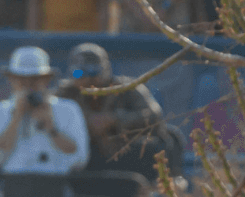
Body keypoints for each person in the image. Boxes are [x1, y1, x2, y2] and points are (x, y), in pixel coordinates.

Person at [56, 42, 176, 178]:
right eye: (79, 73)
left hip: (128, 161)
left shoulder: (126, 88)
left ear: (105, 71)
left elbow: (154, 115)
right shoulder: (65, 94)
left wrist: (114, 119)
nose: (88, 80)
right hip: (82, 165)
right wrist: (85, 122)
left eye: (94, 72)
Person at [0, 46, 89, 174]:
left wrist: (51, 128)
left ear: (47, 79)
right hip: (14, 184)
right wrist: (16, 117)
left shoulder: (68, 109)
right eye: (21, 80)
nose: (28, 86)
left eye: (34, 79)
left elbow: (80, 159)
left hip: (55, 184)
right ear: (11, 80)